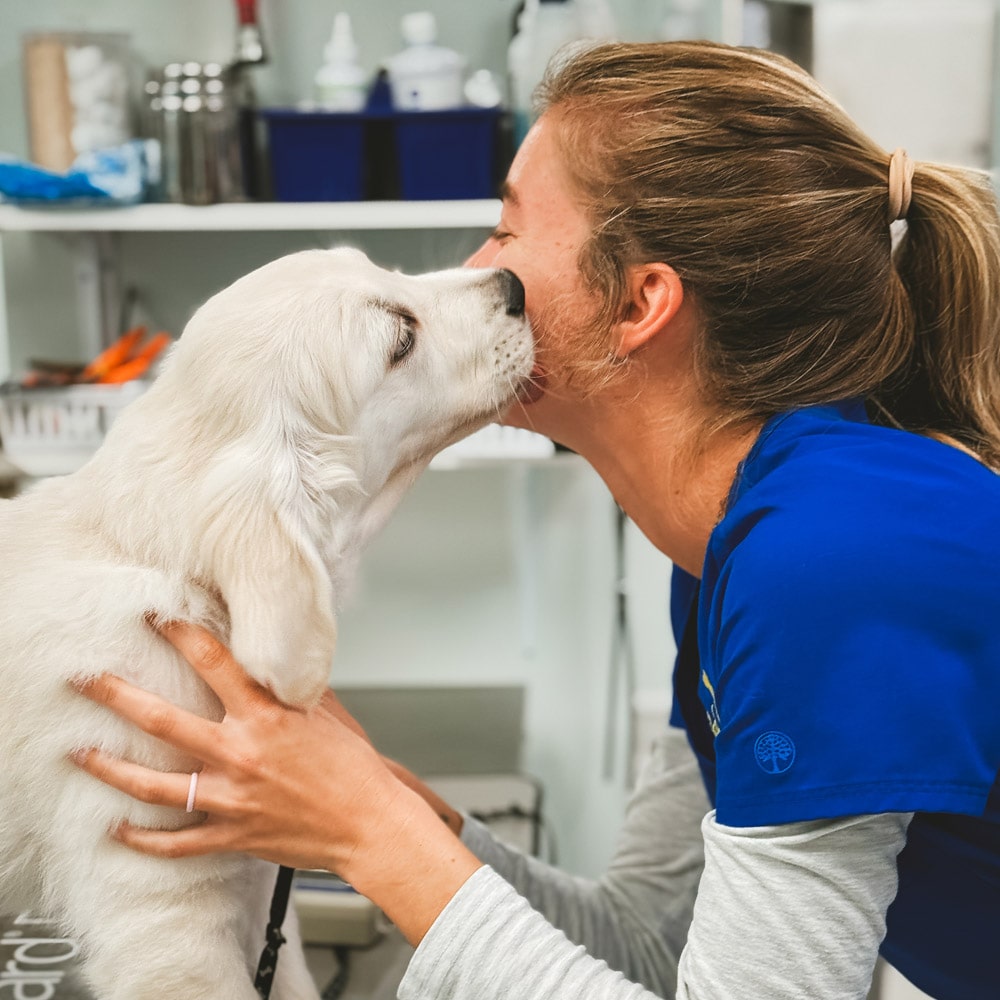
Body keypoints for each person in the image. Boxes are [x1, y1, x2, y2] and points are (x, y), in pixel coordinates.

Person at [71, 40, 1000, 1000]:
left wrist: (368, 832)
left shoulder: (827, 559)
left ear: (640, 302)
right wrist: (393, 817)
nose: (479, 268)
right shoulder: (734, 546)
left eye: (507, 228)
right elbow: (648, 942)